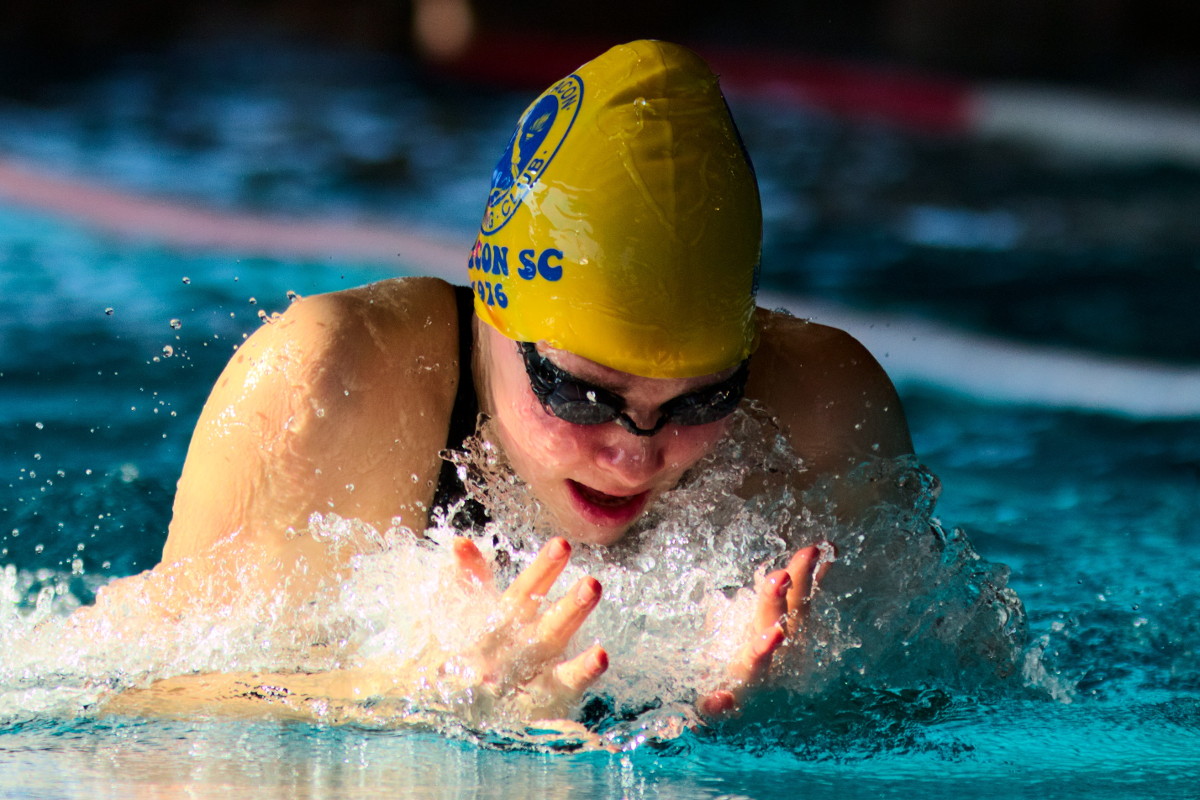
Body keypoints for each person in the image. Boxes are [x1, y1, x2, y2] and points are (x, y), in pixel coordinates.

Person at [95, 40, 913, 723]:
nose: (635, 457)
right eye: (581, 395)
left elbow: (940, 707)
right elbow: (136, 715)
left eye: (701, 400)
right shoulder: (333, 386)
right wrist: (398, 698)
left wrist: (798, 702)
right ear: (496, 310)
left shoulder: (822, 412)